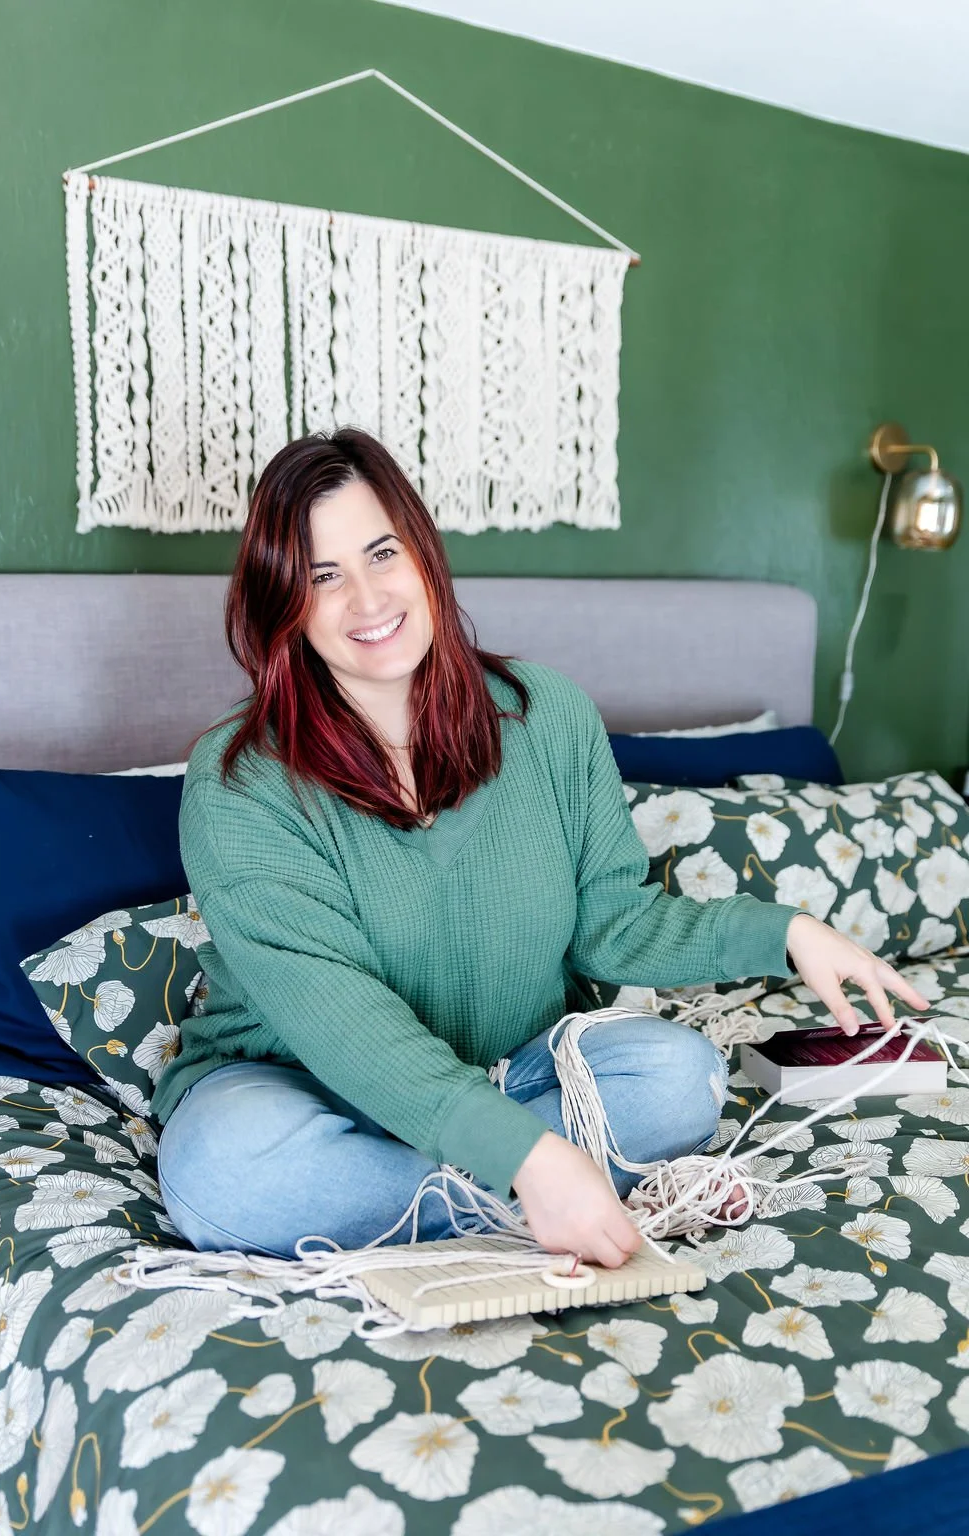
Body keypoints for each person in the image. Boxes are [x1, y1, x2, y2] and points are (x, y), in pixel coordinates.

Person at [153, 429, 929, 1269]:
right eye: (322, 576)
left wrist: (786, 934)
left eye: (382, 553)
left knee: (682, 1077)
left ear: (423, 553)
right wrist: (530, 1159)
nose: (368, 598)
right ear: (284, 604)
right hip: (305, 1087)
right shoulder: (241, 780)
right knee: (226, 1172)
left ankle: (449, 1198)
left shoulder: (547, 715)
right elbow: (341, 1021)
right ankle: (534, 1193)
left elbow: (613, 926)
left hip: (505, 1075)